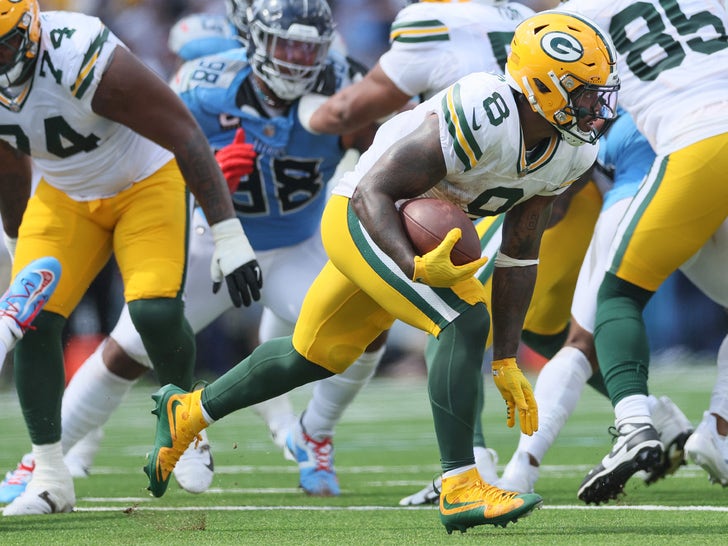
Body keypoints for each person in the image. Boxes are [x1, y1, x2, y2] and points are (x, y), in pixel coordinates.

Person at [144, 11, 620, 534]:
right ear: (540, 88)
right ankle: (460, 485)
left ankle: (188, 413)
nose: (596, 106)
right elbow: (376, 190)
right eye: (581, 92)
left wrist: (507, 358)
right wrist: (412, 264)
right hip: (363, 213)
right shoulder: (485, 112)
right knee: (462, 319)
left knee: (314, 355)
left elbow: (520, 252)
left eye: (599, 91)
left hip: (420, 227)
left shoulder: (572, 150)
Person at [0, 0, 382, 503]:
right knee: (131, 344)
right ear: (250, 38)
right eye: (284, 44)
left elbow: (378, 165)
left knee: (368, 321)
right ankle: (44, 460)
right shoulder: (205, 83)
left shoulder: (347, 85)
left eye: (309, 47)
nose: (296, 59)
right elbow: (169, 143)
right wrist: (219, 184)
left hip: (296, 243)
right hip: (210, 240)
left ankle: (314, 432)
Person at [0, 0, 262, 516]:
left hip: (144, 178)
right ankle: (51, 476)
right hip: (63, 193)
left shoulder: (76, 49)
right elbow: (9, 163)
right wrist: (15, 244)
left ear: (30, 31)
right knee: (31, 321)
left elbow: (183, 130)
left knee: (153, 311)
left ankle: (186, 418)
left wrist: (228, 234)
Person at [292, 0, 558, 497]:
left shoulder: (433, 20)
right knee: (452, 320)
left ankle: (466, 469)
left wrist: (308, 115)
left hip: (459, 192)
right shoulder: (528, 19)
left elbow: (352, 109)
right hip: (473, 188)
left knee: (462, 317)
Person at [554, 0, 728, 504]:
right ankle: (719, 427)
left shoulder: (581, 14)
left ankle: (634, 425)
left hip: (695, 143)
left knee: (617, 298)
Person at [496, 111, 696, 494]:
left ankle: (520, 469)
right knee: (552, 330)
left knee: (584, 336)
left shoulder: (614, 103)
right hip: (707, 184)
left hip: (639, 196)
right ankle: (712, 430)